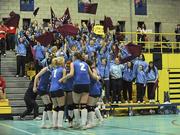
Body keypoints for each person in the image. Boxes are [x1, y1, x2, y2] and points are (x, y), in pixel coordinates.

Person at [60, 52, 99, 129]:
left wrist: (63, 78)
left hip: (77, 84)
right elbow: (92, 76)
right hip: (86, 84)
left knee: (76, 105)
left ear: (74, 57)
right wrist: (97, 78)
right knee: (84, 105)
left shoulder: (73, 63)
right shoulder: (86, 64)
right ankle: (83, 124)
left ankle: (77, 122)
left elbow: (71, 74)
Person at [33, 61, 53, 128]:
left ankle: (43, 123)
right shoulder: (45, 69)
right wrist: (35, 86)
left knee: (47, 106)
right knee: (48, 105)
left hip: (46, 89)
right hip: (41, 88)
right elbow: (36, 76)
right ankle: (50, 123)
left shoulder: (52, 70)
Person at [86, 60, 103, 129]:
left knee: (90, 106)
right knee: (92, 106)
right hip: (96, 89)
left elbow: (95, 78)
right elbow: (97, 78)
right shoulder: (93, 70)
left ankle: (91, 122)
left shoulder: (90, 71)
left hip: (93, 90)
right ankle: (91, 121)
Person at [49, 57, 66, 129]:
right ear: (62, 63)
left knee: (55, 107)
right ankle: (59, 124)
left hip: (51, 89)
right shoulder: (63, 69)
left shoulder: (53, 70)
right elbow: (64, 81)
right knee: (61, 107)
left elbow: (51, 79)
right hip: (59, 89)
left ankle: (54, 124)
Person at [63, 60, 74, 128]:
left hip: (70, 89)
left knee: (70, 106)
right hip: (65, 89)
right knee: (64, 105)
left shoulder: (73, 71)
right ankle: (66, 118)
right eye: (67, 64)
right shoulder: (64, 70)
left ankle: (70, 121)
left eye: (68, 64)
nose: (67, 65)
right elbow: (63, 81)